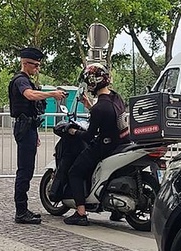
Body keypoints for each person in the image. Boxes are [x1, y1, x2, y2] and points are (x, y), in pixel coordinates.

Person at [64, 63, 130, 226]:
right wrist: (89, 106)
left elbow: (88, 136)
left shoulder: (99, 108)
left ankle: (80, 212)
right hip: (122, 143)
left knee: (75, 172)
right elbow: (108, 117)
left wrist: (72, 132)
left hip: (104, 146)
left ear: (93, 83)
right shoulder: (116, 97)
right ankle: (116, 211)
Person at [8, 47, 67, 224]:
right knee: (24, 171)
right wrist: (52, 94)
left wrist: (35, 132)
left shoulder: (26, 79)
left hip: (29, 128)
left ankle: (23, 209)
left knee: (28, 169)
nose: (37, 68)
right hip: (24, 128)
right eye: (35, 65)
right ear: (25, 63)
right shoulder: (20, 80)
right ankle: (20, 211)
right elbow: (30, 95)